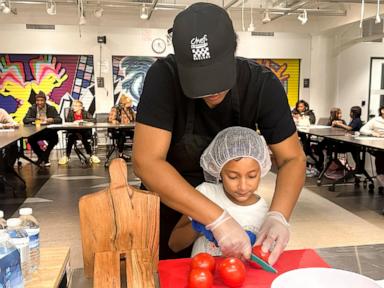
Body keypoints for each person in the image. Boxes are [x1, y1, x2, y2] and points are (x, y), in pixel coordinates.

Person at [133, 3, 305, 263]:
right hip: (171, 204)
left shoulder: (261, 85)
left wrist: (278, 215)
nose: (211, 91)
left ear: (234, 49)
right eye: (199, 81)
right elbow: (146, 162)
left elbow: (292, 158)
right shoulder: (164, 77)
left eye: (217, 76)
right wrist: (217, 217)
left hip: (233, 201)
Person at [168, 127, 272, 256]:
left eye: (252, 176)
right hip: (202, 273)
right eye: (233, 177)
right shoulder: (206, 194)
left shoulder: (262, 210)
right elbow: (174, 244)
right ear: (218, 172)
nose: (243, 186)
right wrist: (201, 224)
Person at [23, 91, 62, 167]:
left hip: (48, 131)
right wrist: (36, 119)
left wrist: (52, 120)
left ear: (45, 101)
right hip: (36, 131)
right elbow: (25, 120)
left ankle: (44, 156)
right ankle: (44, 157)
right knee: (30, 139)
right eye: (38, 100)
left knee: (55, 139)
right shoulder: (32, 108)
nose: (39, 102)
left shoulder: (51, 108)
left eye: (41, 100)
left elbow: (60, 119)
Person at [58, 100, 100, 165]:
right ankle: (67, 156)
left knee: (83, 136)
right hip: (73, 132)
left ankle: (91, 156)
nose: (73, 107)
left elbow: (94, 120)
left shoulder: (85, 113)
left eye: (75, 106)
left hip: (84, 132)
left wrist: (82, 120)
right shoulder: (71, 113)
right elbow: (68, 123)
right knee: (71, 137)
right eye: (73, 105)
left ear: (81, 107)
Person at [360, 105, 384, 193]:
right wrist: (373, 133)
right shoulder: (375, 120)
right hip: (379, 145)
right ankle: (381, 178)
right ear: (382, 111)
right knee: (381, 154)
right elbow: (362, 129)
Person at [108, 95, 135, 161]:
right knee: (121, 134)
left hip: (128, 128)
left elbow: (133, 119)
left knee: (138, 134)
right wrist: (114, 121)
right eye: (129, 102)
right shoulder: (116, 109)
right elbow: (111, 119)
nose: (131, 104)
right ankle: (120, 154)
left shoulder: (130, 110)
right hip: (118, 129)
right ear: (124, 103)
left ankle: (138, 153)